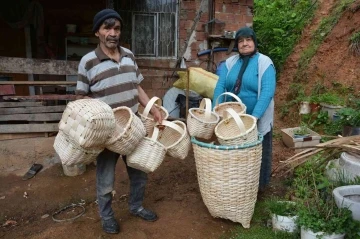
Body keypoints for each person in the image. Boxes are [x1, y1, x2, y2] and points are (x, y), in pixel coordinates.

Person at [75, 9, 163, 234]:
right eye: (107, 28)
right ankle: (106, 217)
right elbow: (81, 99)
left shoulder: (129, 56)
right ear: (97, 32)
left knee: (139, 171)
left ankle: (136, 206)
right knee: (105, 178)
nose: (113, 33)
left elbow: (137, 86)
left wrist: (152, 110)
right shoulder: (88, 62)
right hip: (107, 133)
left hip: (133, 127)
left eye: (116, 28)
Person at [213, 26, 276, 191]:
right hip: (231, 119)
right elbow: (220, 87)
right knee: (234, 154)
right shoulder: (230, 62)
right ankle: (236, 187)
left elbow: (267, 92)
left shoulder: (264, 62)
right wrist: (216, 109)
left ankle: (258, 188)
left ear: (254, 42)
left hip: (255, 118)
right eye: (240, 41)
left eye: (248, 40)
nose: (244, 44)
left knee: (257, 154)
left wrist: (253, 118)